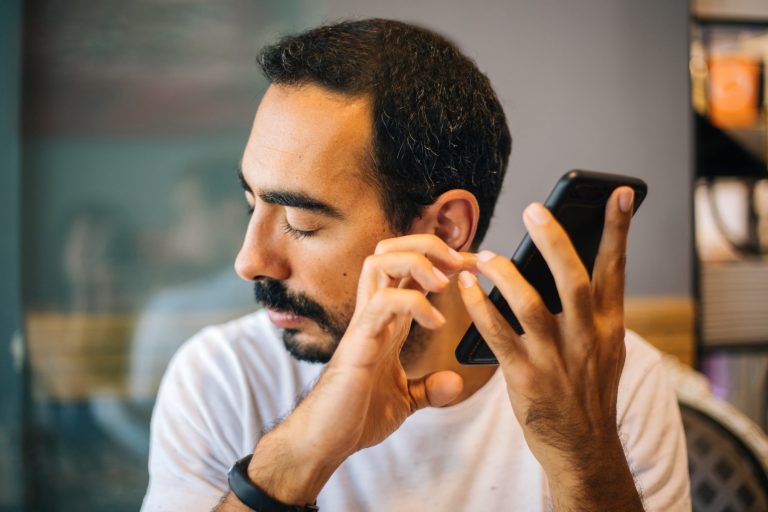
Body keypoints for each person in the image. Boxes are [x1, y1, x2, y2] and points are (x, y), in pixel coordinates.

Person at [143, 19, 690, 511]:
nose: (249, 260)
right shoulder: (223, 376)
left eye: (303, 222)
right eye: (251, 205)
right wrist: (300, 455)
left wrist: (582, 454)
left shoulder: (615, 384)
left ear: (444, 228)